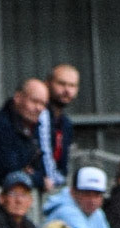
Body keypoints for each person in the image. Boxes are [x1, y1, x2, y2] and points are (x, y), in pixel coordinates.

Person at [0, 79, 47, 192]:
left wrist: (29, 175)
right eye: (34, 101)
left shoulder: (33, 128)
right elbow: (9, 175)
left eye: (43, 104)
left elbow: (41, 171)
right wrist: (34, 178)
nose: (39, 108)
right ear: (18, 97)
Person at [38, 64, 78, 194]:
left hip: (55, 187)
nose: (67, 90)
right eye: (61, 84)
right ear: (47, 84)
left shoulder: (65, 123)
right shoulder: (39, 115)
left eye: (72, 86)